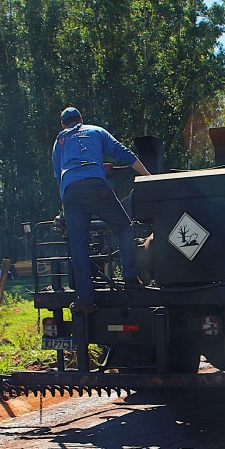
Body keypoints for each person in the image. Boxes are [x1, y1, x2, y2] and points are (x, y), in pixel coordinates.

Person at [52, 106, 151, 313]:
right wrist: (149, 177)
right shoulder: (96, 131)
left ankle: (85, 301)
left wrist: (64, 209)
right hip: (96, 186)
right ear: (81, 119)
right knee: (124, 228)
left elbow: (58, 175)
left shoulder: (60, 140)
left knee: (78, 246)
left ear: (63, 124)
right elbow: (125, 153)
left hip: (70, 192)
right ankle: (131, 278)